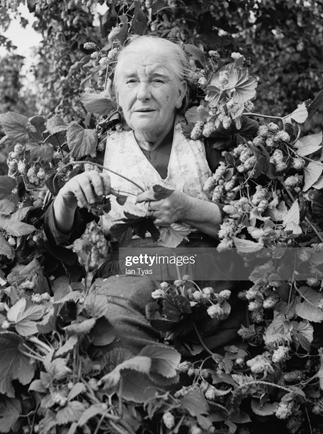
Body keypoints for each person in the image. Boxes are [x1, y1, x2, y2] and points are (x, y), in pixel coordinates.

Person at [45, 36, 247, 355]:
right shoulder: (99, 154)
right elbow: (57, 237)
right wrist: (66, 200)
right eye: (131, 81)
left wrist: (190, 209)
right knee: (105, 324)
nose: (142, 94)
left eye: (157, 80)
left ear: (180, 93)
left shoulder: (210, 143)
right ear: (118, 95)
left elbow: (258, 231)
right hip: (132, 272)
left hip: (211, 279)